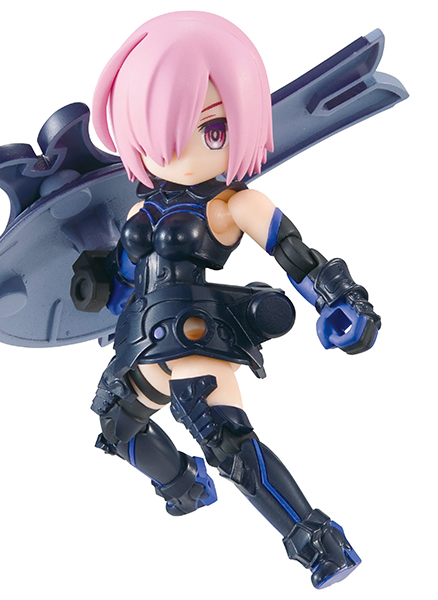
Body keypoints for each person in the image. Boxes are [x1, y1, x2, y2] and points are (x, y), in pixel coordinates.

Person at [80, 11, 380, 589]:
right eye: (160, 131)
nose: (183, 151)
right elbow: (122, 279)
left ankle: (318, 542)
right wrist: (94, 280)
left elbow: (300, 258)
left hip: (198, 334)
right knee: (115, 425)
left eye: (213, 129)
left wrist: (341, 302)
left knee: (229, 444)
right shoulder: (141, 208)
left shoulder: (234, 204)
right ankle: (184, 485)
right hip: (141, 341)